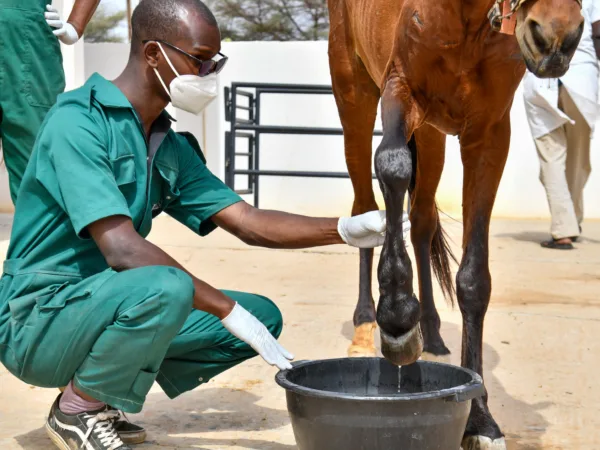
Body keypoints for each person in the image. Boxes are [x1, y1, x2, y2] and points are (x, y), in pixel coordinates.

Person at [0, 1, 410, 449]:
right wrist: (224, 309)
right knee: (169, 287)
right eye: (199, 59)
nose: (209, 72)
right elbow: (122, 249)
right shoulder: (78, 120)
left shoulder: (163, 141)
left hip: (104, 304)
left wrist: (347, 229)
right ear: (153, 53)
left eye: (215, 61)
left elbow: (247, 220)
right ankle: (75, 411)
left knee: (261, 315)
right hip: (37, 321)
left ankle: (96, 393)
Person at [0, 0, 100, 204]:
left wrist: (75, 26)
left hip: (27, 46)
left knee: (36, 171)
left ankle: (40, 233)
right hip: (26, 41)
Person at [523, 0, 600, 250]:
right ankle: (568, 225)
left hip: (540, 76)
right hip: (580, 78)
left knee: (551, 159)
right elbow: (598, 33)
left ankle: (566, 226)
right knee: (578, 161)